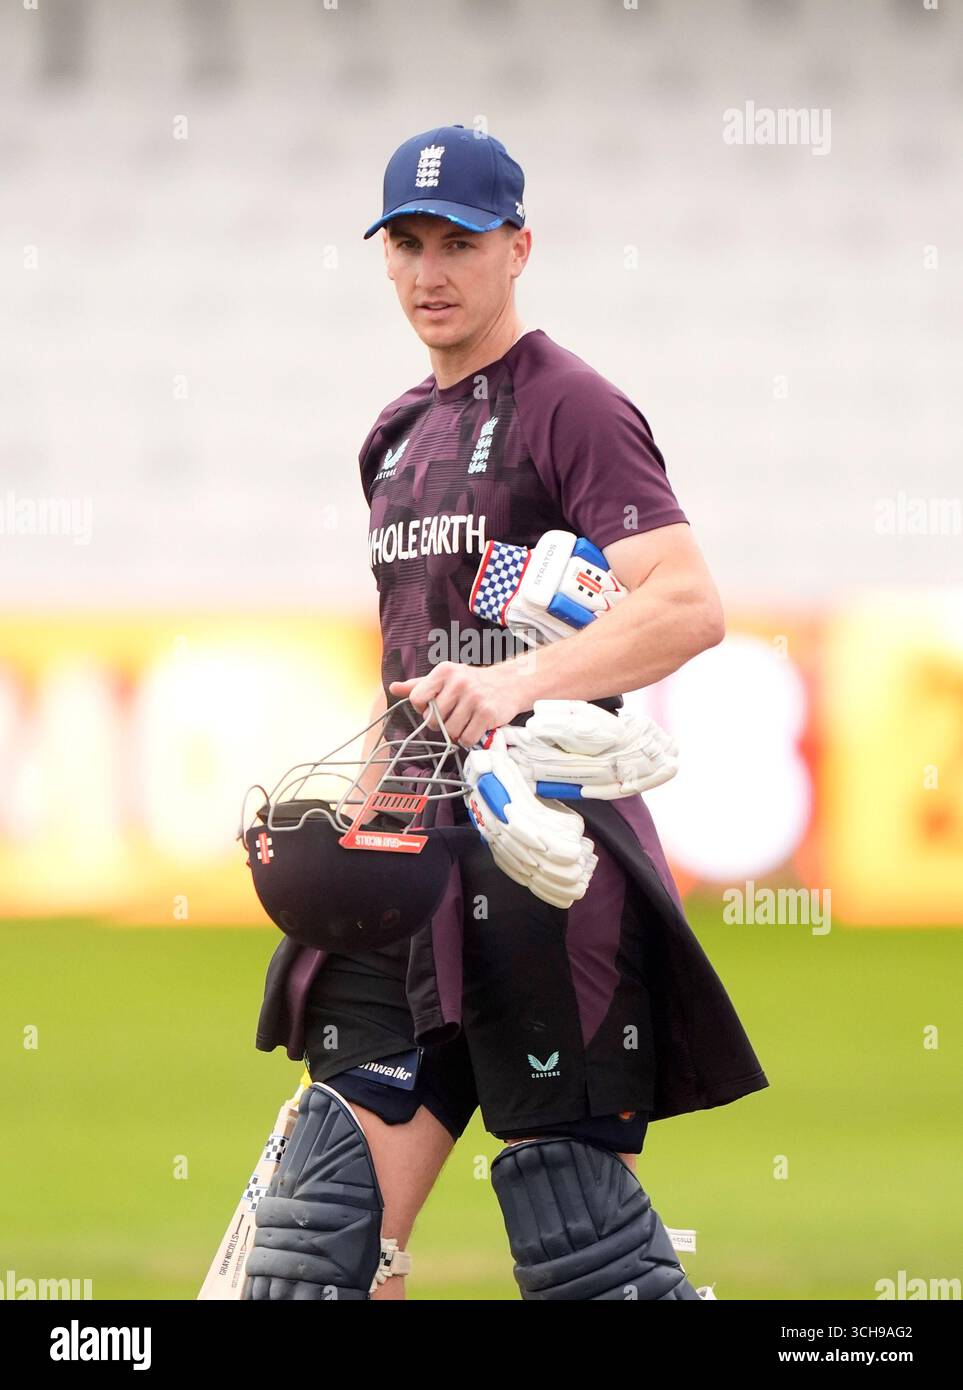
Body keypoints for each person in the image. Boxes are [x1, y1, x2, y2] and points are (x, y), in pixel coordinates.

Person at [252, 124, 768, 1300]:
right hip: (414, 870)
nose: (432, 271)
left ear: (520, 247)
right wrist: (370, 812)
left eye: (462, 244)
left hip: (546, 872)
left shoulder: (571, 405)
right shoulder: (391, 435)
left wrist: (514, 685)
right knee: (312, 1251)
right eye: (409, 243)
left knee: (580, 1246)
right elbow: (416, 658)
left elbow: (688, 605)